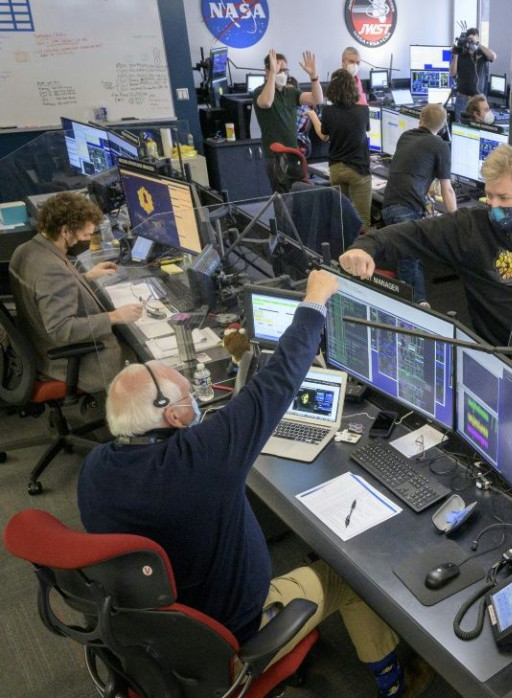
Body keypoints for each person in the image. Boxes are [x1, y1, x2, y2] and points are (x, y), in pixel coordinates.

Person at [76, 269, 432, 698]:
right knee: (350, 576)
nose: (196, 406)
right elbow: (278, 380)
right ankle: (395, 682)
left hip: (154, 626)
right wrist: (315, 300)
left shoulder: (95, 465)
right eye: (190, 400)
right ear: (171, 417)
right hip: (229, 632)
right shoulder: (201, 459)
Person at [339, 144, 512, 391]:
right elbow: (414, 234)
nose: (494, 206)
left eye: (504, 198)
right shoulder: (471, 226)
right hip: (492, 358)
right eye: (489, 196)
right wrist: (366, 245)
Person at [9, 192, 142, 394]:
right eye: (86, 235)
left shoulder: (25, 250)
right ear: (65, 231)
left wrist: (86, 277)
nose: (88, 239)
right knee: (144, 359)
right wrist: (115, 316)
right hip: (70, 361)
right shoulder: (51, 270)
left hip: (37, 345)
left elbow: (46, 293)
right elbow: (61, 329)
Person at [381, 103, 457, 305]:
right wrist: (456, 219)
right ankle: (404, 306)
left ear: (420, 119)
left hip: (388, 205)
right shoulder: (440, 145)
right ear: (442, 126)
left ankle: (422, 303)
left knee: (414, 257)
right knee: (408, 263)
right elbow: (447, 189)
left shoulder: (406, 136)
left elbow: (414, 168)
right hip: (406, 209)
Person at [253, 48, 323, 191]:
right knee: (282, 199)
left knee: (297, 196)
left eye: (285, 70)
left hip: (293, 153)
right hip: (274, 157)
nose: (283, 74)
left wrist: (314, 76)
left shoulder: (291, 92)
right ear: (267, 72)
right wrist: (273, 74)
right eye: (279, 70)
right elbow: (266, 102)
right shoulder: (259, 92)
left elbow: (317, 99)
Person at [317, 68, 372, 228]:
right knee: (363, 221)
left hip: (336, 168)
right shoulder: (363, 110)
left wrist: (314, 117)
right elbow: (366, 129)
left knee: (342, 218)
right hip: (359, 169)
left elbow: (324, 134)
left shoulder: (328, 111)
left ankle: (344, 249)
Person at [450, 27, 497, 122]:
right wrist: (455, 54)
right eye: (469, 40)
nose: (471, 42)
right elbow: (453, 73)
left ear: (478, 39)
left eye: (473, 39)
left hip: (477, 101)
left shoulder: (482, 54)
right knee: (460, 127)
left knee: (477, 128)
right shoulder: (461, 54)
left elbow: (493, 56)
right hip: (462, 99)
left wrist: (477, 43)